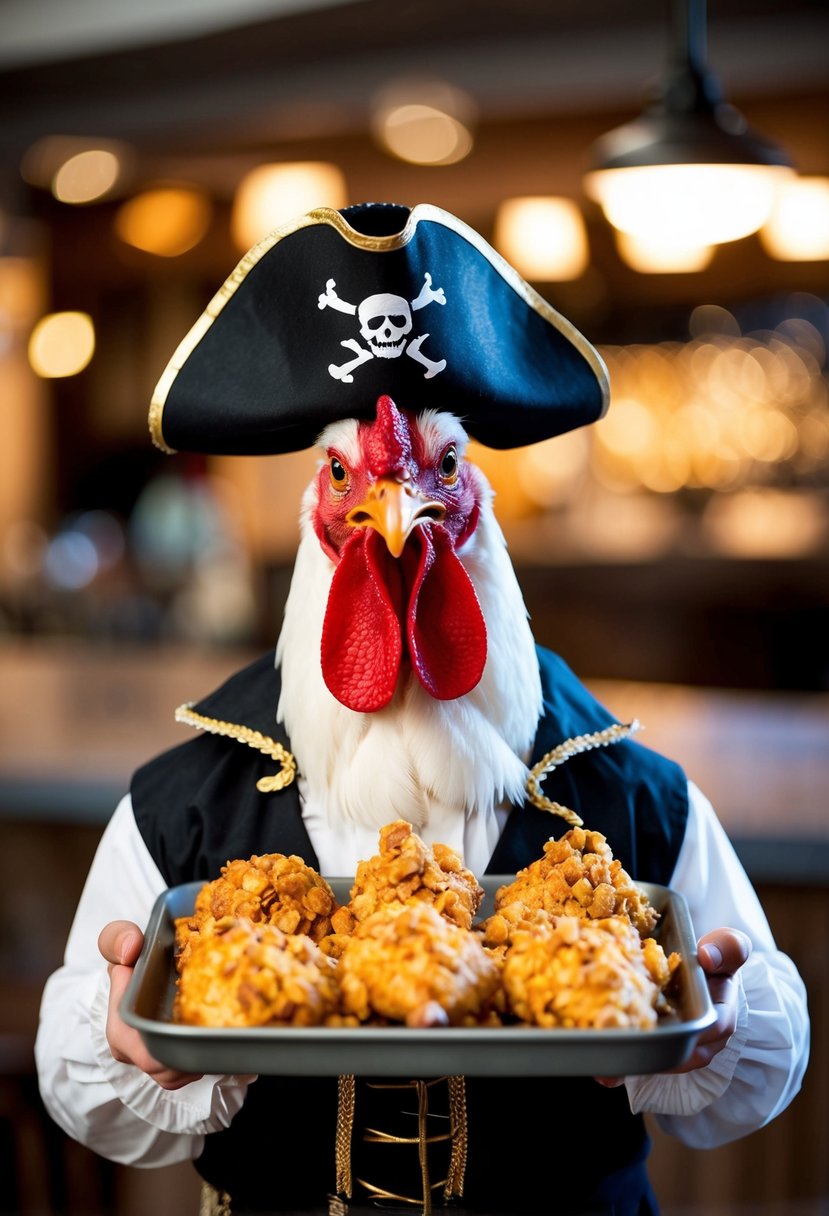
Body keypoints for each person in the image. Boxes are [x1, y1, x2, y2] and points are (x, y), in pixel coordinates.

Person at [36, 203, 809, 1216]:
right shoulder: (187, 803)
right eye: (347, 474)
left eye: (437, 467)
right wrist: (137, 1039)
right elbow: (86, 1089)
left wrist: (712, 1017)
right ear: (321, 505)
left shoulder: (632, 797)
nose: (393, 497)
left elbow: (747, 1076)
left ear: (476, 499)